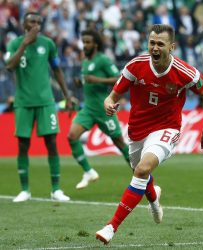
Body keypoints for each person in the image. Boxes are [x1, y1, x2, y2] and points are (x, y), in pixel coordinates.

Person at [95, 24, 203, 244]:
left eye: (160, 44)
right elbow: (111, 96)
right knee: (140, 172)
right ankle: (153, 198)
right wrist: (109, 103)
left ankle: (111, 226)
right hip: (138, 129)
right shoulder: (135, 66)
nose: (155, 47)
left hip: (167, 128)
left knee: (142, 169)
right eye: (152, 43)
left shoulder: (185, 72)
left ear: (172, 47)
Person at [4, 12, 72, 202]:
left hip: (46, 102)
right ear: (24, 24)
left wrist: (67, 95)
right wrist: (25, 43)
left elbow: (57, 69)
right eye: (32, 22)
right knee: (23, 145)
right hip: (24, 103)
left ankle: (56, 189)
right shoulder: (14, 44)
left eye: (38, 22)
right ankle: (25, 189)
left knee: (51, 143)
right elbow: (9, 66)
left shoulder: (48, 44)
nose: (35, 25)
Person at [67, 29, 130, 190]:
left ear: (95, 43)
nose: (85, 45)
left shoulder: (103, 60)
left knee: (119, 142)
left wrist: (97, 79)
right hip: (88, 109)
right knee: (72, 136)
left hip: (104, 109)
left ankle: (141, 175)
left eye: (88, 42)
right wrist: (81, 83)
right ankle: (88, 171)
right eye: (83, 42)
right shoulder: (85, 61)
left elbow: (119, 79)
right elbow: (87, 81)